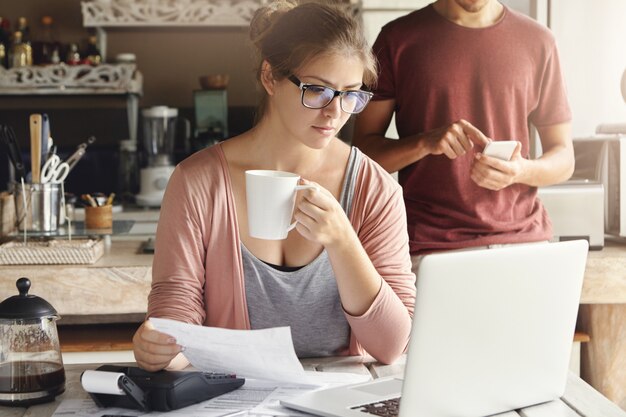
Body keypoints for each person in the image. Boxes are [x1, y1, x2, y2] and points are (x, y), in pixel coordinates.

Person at [133, 0, 416, 372]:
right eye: (317, 90)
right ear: (270, 77)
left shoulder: (374, 189)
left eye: (351, 94)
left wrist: (343, 241)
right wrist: (162, 346)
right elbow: (176, 308)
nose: (336, 112)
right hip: (234, 400)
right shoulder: (197, 182)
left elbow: (392, 345)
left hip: (339, 404)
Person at [353, 0, 574, 261]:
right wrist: (424, 143)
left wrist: (521, 171)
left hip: (525, 243)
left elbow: (564, 157)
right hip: (429, 247)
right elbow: (363, 154)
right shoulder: (396, 40)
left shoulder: (540, 41)